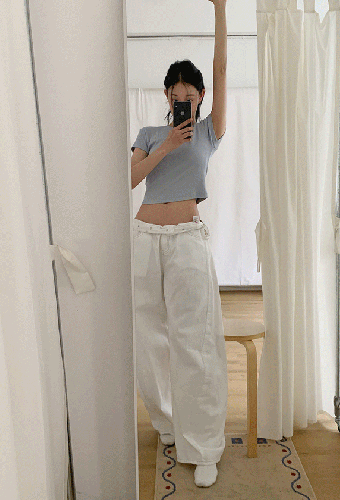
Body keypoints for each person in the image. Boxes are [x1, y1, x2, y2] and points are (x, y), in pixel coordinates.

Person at [131, 4, 227, 488]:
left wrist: (221, 10)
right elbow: (128, 180)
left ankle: (204, 445)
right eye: (177, 94)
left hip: (187, 238)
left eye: (192, 95)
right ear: (167, 96)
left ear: (201, 97)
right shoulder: (150, 134)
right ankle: (168, 423)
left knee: (196, 342)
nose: (184, 100)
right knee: (147, 341)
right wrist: (166, 145)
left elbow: (222, 70)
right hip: (144, 239)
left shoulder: (208, 132)